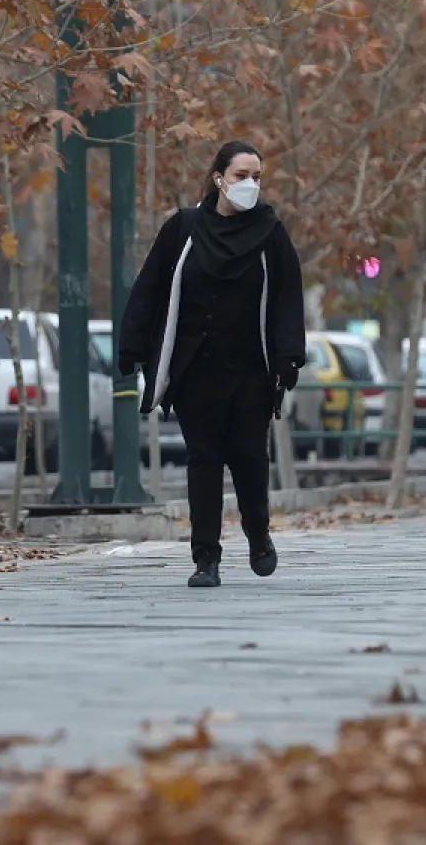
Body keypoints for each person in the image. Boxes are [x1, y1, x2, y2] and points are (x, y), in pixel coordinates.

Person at [119, 140, 306, 588]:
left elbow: (286, 297)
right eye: (242, 175)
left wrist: (288, 357)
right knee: (203, 459)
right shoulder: (183, 229)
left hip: (250, 370)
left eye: (257, 177)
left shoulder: (270, 233)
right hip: (194, 368)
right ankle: (206, 558)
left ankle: (258, 535)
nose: (251, 184)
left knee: (247, 457)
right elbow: (149, 289)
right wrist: (132, 346)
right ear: (219, 177)